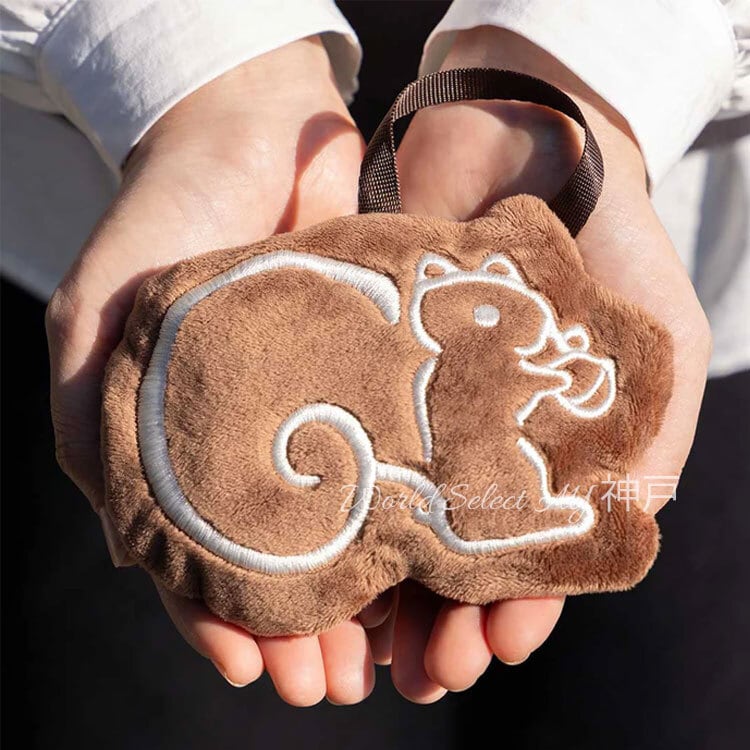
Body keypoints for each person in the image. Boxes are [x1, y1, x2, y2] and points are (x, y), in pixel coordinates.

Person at [1, 0, 748, 707]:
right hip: (91, 160)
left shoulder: (481, 327)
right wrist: (200, 77)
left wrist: (600, 58)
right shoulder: (454, 340)